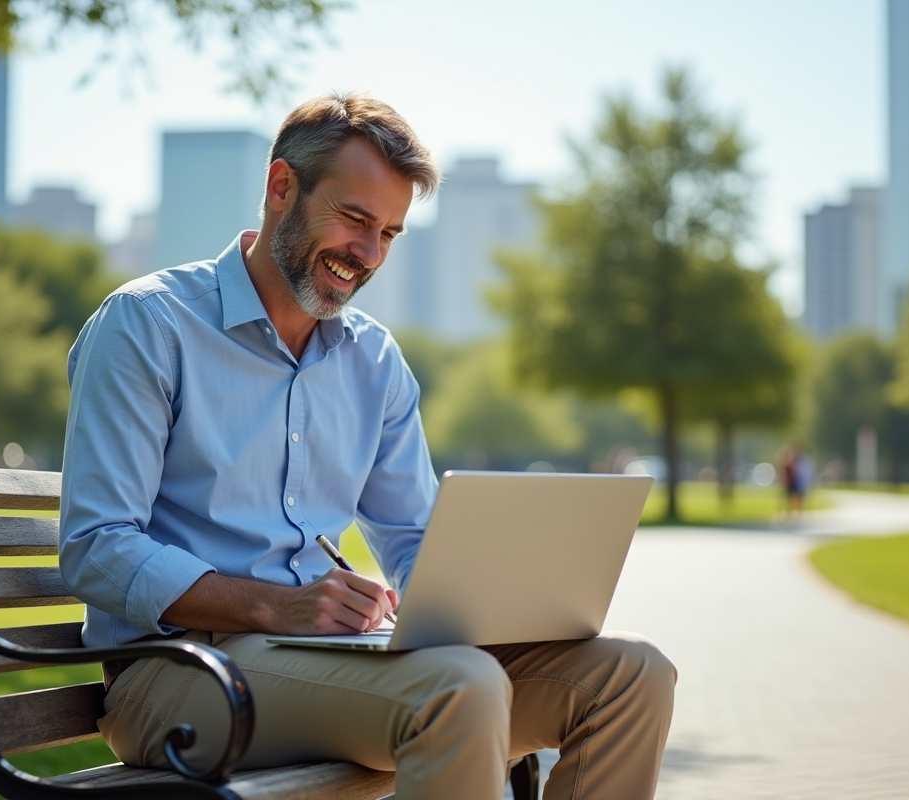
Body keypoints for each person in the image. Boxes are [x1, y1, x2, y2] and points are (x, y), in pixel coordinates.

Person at [58, 92, 675, 800]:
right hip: (178, 677)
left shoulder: (374, 362)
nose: (369, 254)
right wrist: (273, 606)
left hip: (331, 666)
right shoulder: (147, 325)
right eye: (355, 219)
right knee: (458, 688)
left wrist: (478, 605)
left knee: (632, 677)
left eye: (389, 233)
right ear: (280, 187)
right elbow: (96, 546)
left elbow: (414, 539)